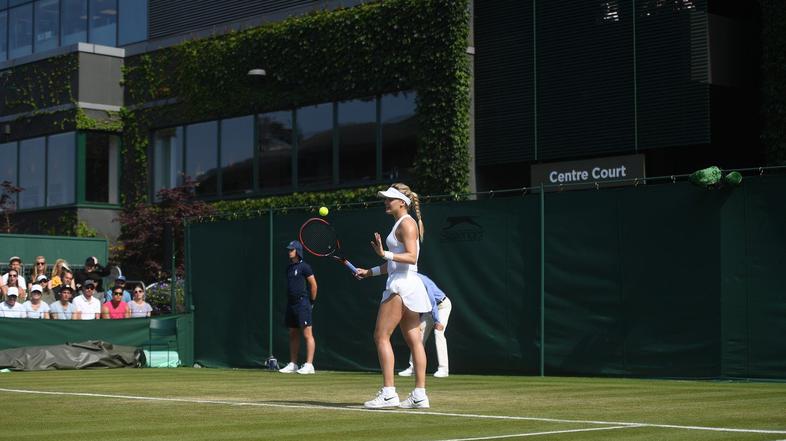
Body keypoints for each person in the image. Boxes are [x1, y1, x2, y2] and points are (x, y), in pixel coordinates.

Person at [355, 183, 431, 409]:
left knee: (381, 336)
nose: (386, 202)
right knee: (414, 340)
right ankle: (419, 395)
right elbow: (393, 264)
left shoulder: (406, 224)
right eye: (385, 199)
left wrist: (383, 253)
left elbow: (411, 257)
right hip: (408, 284)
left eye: (390, 199)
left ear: (402, 202)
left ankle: (389, 393)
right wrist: (370, 272)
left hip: (401, 286)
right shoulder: (403, 223)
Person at [399, 273, 452, 378]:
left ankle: (443, 369)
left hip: (442, 306)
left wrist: (437, 321)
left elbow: (432, 301)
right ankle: (413, 368)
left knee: (438, 332)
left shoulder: (420, 281)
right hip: (429, 310)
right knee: (418, 336)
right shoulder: (408, 282)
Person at [278, 240, 318, 375]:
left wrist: (311, 302)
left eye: (291, 250)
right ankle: (293, 364)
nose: (289, 252)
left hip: (303, 303)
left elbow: (314, 286)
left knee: (307, 334)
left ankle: (309, 365)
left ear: (297, 251)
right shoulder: (289, 268)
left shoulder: (305, 267)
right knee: (293, 334)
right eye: (289, 250)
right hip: (291, 304)